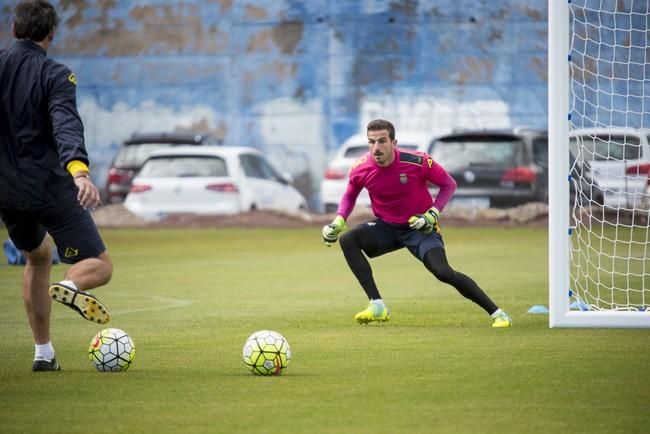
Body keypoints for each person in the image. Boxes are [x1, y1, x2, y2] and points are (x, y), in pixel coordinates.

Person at [0, 0, 113, 372]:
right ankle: (73, 285)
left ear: (14, 30)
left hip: (7, 194)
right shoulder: (56, 74)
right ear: (51, 34)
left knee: (37, 255)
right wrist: (79, 172)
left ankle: (43, 354)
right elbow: (66, 124)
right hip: (49, 189)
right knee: (99, 265)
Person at [322, 119, 512, 328]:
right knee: (348, 238)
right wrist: (339, 220)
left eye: (382, 141)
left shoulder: (417, 162)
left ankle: (498, 313)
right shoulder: (361, 168)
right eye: (371, 142)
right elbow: (349, 196)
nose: (376, 147)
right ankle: (377, 305)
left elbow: (448, 184)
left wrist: (432, 214)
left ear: (394, 142)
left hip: (420, 227)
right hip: (387, 228)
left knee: (443, 272)